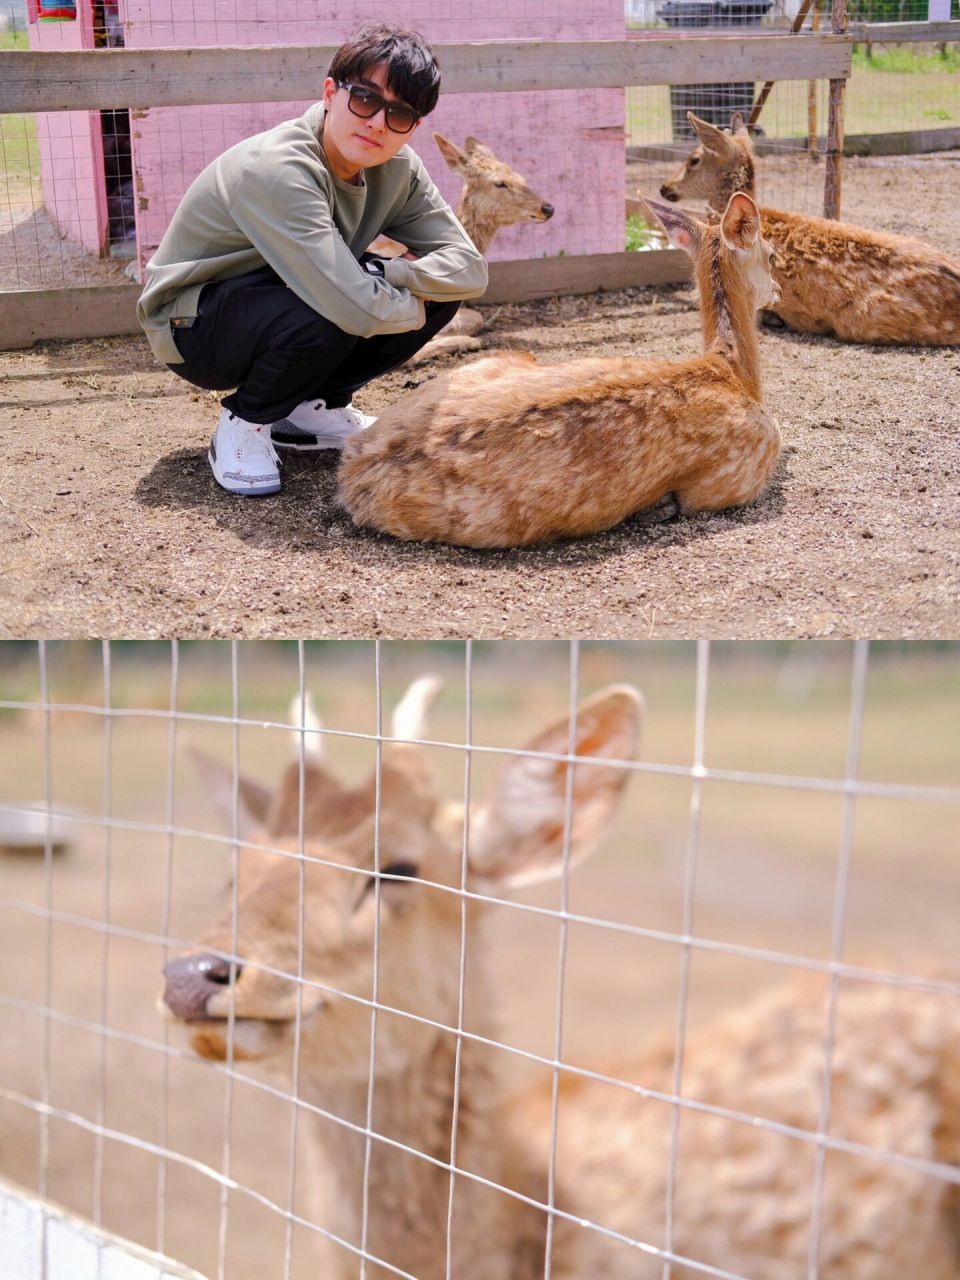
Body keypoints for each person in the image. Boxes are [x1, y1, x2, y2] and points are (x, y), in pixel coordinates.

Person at [137, 23, 488, 496]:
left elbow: (470, 270)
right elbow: (351, 304)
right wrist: (400, 301)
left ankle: (305, 411)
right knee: (339, 298)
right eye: (365, 98)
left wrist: (392, 273)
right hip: (193, 328)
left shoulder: (400, 170)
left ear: (414, 127)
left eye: (400, 113)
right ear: (330, 92)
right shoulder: (280, 166)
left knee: (421, 288)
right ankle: (246, 420)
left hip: (279, 297)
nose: (377, 123)